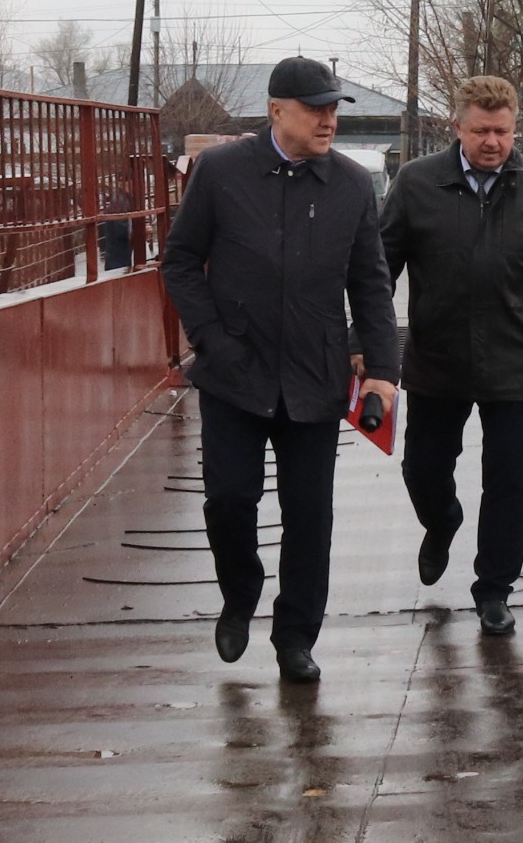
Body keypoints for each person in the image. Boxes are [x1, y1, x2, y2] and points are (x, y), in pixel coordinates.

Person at [162, 56, 400, 683]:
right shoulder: (220, 172)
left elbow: (370, 283)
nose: (328, 120)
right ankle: (240, 593)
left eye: (333, 109)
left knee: (309, 515)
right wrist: (212, 340)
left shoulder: (351, 185)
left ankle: (295, 637)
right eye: (315, 109)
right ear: (276, 111)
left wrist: (383, 369)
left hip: (315, 376)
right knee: (229, 500)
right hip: (234, 373)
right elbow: (180, 261)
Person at [380, 75, 523, 636]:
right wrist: (366, 344)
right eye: (480, 131)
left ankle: (495, 589)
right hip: (436, 358)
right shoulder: (416, 182)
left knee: (508, 480)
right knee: (423, 469)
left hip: (512, 360)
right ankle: (442, 520)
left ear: (515, 127)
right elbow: (378, 272)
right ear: (457, 126)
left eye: (502, 131)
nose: (493, 142)